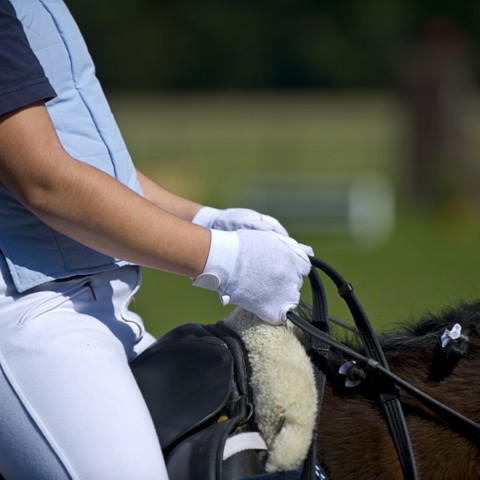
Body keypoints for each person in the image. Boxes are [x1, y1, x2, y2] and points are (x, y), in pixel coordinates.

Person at [0, 1, 313, 479]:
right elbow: (45, 180)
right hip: (28, 312)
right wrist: (227, 260)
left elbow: (99, 169)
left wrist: (207, 218)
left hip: (104, 306)